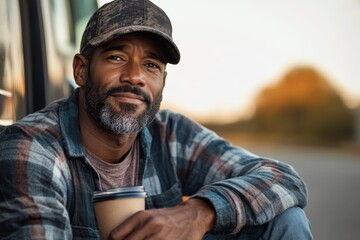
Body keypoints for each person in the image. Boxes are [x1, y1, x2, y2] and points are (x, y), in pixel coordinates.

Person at [0, 0, 313, 239]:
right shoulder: (32, 146)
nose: (135, 77)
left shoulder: (171, 133)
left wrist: (199, 212)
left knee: (285, 219)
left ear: (163, 81)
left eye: (151, 65)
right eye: (116, 57)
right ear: (81, 70)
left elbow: (284, 179)